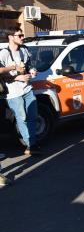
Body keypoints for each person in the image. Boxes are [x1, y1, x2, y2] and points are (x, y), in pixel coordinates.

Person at [0, 24, 40, 155]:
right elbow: (1, 71)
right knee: (22, 118)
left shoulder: (24, 50)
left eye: (22, 35)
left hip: (27, 89)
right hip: (13, 93)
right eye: (20, 35)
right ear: (11, 37)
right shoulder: (4, 53)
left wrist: (32, 71)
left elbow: (29, 65)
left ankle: (31, 145)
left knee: (33, 116)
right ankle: (31, 145)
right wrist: (17, 75)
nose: (22, 37)